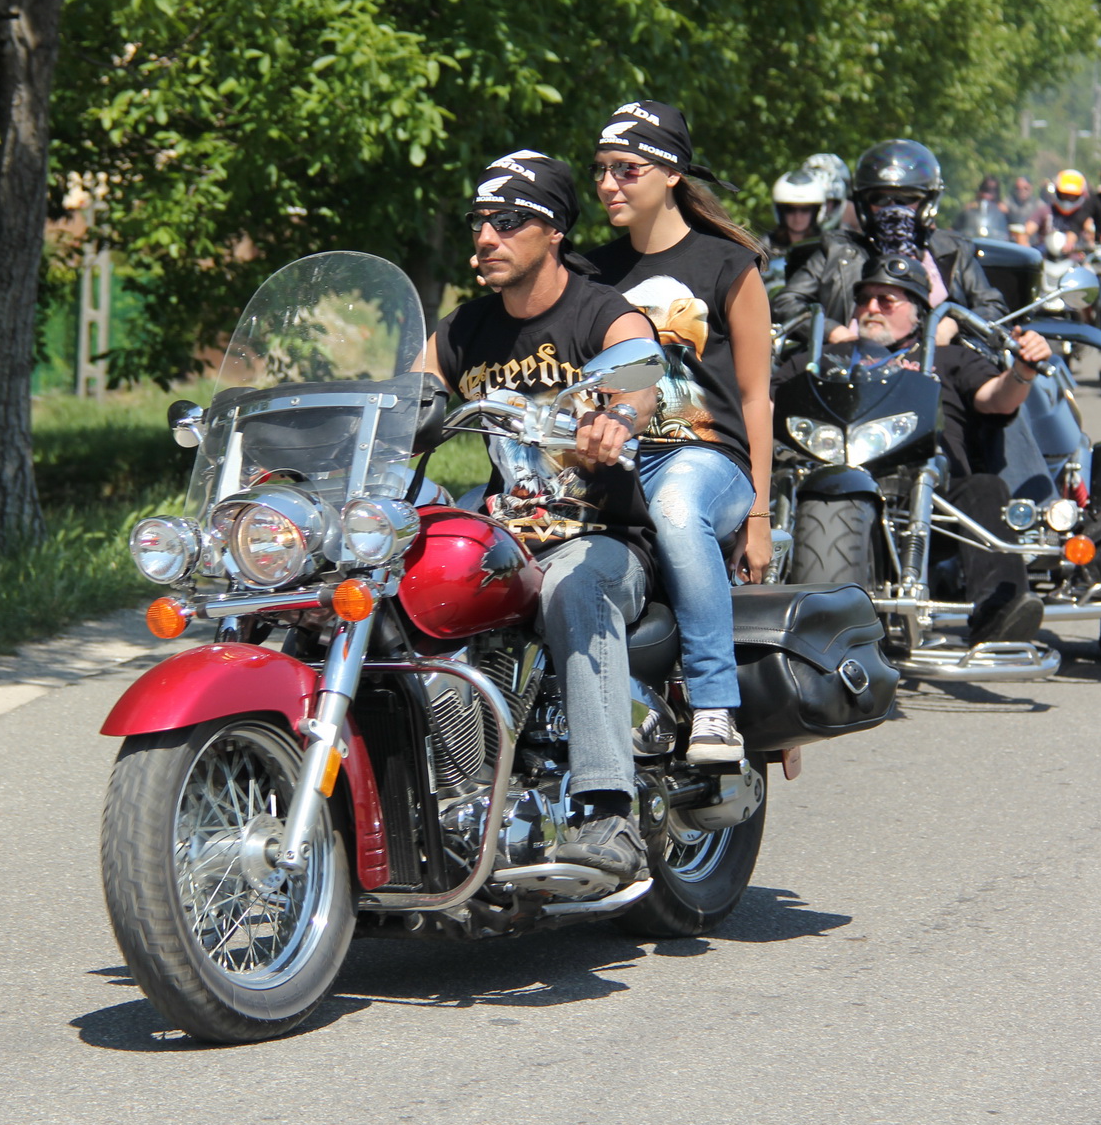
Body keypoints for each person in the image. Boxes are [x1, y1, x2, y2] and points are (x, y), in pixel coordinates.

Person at [423, 150, 660, 884]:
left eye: (507, 220)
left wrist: (618, 415)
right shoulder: (464, 330)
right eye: (479, 221)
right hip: (508, 540)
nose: (485, 236)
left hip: (602, 539)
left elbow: (639, 372)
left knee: (572, 587)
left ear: (553, 230)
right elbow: (406, 403)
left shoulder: (601, 312)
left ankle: (607, 811)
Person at [583, 99, 773, 766]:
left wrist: (758, 515)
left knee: (676, 505)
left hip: (706, 458)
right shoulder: (589, 271)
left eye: (626, 169)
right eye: (601, 170)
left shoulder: (729, 265)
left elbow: (754, 397)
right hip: (615, 457)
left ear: (670, 174)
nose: (608, 183)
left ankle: (715, 705)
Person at [775, 253, 1053, 644]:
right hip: (824, 492)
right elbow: (766, 402)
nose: (872, 308)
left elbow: (997, 398)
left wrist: (1022, 371)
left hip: (933, 507)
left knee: (985, 487)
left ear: (918, 312)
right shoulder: (820, 358)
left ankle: (1000, 612)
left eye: (886, 300)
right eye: (864, 299)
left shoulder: (949, 357)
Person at [774, 140, 1011, 334]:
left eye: (906, 198)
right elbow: (785, 303)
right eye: (880, 198)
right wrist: (832, 332)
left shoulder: (953, 250)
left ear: (928, 202)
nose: (893, 207)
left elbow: (992, 308)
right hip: (848, 366)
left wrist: (953, 325)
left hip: (937, 369)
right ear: (864, 203)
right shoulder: (837, 250)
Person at [760, 168, 827, 284]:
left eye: (805, 210)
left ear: (816, 212)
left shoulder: (826, 247)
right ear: (780, 211)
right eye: (790, 209)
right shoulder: (764, 248)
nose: (797, 217)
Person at [1047, 169, 1099, 254]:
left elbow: (1088, 234)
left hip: (1077, 258)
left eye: (1072, 197)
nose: (1067, 201)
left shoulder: (1084, 215)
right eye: (1064, 195)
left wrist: (1090, 238)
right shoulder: (1048, 210)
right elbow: (1028, 230)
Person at [1006, 175, 1051, 247]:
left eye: (1025, 188)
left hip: (1033, 244)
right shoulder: (1009, 202)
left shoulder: (1039, 205)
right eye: (1018, 189)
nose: (1022, 191)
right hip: (1011, 242)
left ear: (1031, 188)